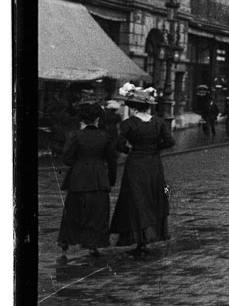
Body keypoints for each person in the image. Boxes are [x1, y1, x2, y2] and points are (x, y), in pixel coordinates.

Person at [108, 86, 174, 258]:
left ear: (133, 106)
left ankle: (139, 240)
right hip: (153, 163)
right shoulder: (159, 122)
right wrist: (155, 149)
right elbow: (170, 141)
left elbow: (119, 145)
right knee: (152, 196)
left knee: (136, 199)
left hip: (136, 163)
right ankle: (149, 237)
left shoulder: (128, 123)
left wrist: (130, 150)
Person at [57, 102, 116, 264]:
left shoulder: (75, 135)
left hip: (78, 179)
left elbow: (67, 158)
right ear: (97, 119)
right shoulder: (105, 137)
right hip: (98, 179)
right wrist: (111, 180)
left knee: (73, 211)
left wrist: (79, 164)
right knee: (97, 213)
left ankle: (66, 241)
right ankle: (93, 245)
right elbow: (112, 161)